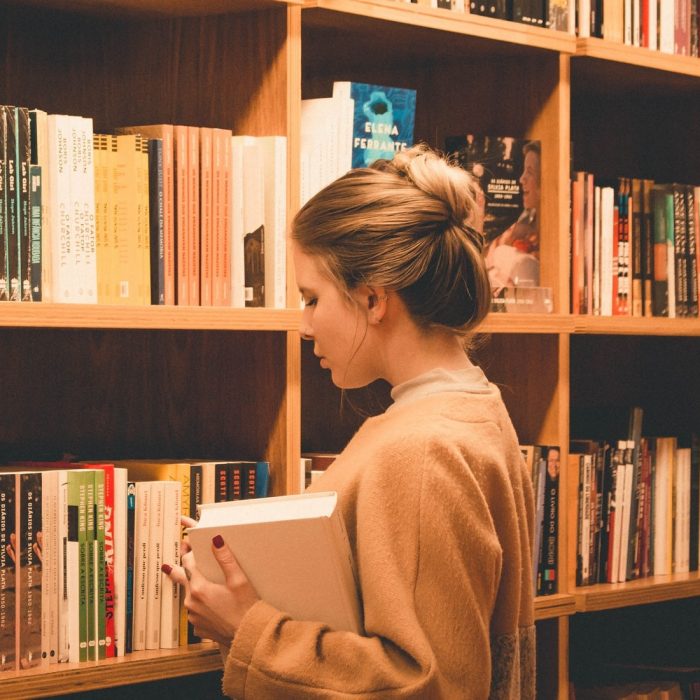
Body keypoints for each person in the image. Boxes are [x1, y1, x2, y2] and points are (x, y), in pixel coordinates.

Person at [163, 144, 536, 699]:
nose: (305, 325)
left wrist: (249, 631)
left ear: (373, 299)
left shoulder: (424, 450)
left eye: (313, 298)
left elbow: (432, 683)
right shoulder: (474, 407)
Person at [484, 140, 541, 291]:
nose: (522, 179)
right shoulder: (522, 224)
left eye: (530, 172)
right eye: (523, 171)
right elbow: (487, 257)